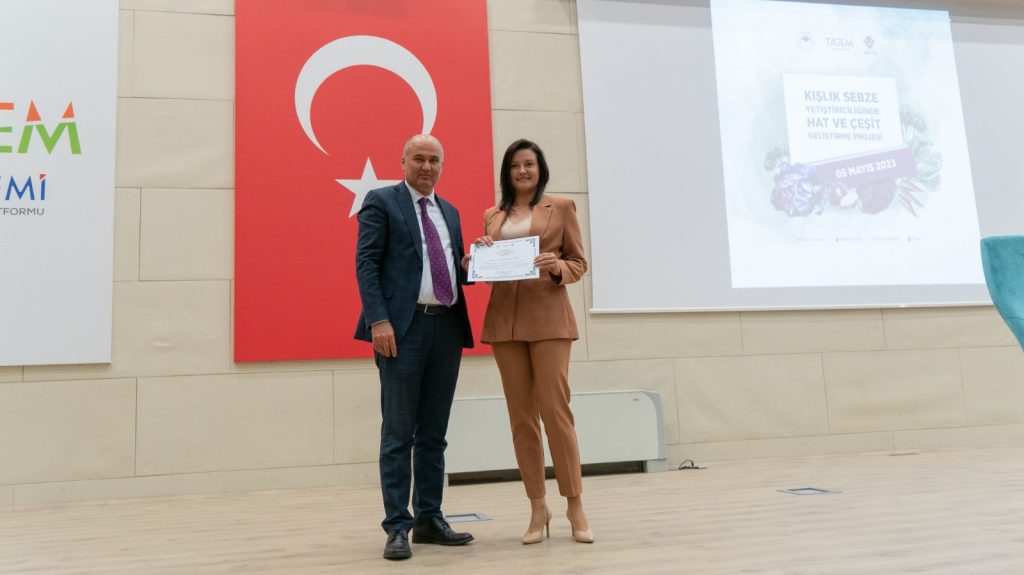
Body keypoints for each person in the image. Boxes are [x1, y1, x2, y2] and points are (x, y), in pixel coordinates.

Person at [465, 139, 593, 545]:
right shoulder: (492, 216)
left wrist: (557, 267)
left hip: (550, 319)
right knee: (521, 418)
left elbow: (578, 263)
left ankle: (575, 505)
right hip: (505, 324)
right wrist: (475, 258)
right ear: (507, 172)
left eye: (529, 164)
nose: (522, 171)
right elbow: (487, 270)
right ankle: (538, 507)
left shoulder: (562, 207)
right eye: (515, 165)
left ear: (540, 170)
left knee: (555, 412)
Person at [354, 134, 475, 561]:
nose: (426, 166)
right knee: (398, 434)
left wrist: (473, 264)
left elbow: (455, 270)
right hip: (401, 330)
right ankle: (397, 526)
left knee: (434, 435)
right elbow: (367, 262)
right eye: (419, 158)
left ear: (442, 165)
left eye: (433, 160)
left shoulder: (451, 212)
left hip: (447, 329)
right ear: (403, 161)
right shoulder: (382, 201)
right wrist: (378, 319)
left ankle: (428, 518)